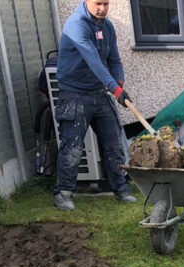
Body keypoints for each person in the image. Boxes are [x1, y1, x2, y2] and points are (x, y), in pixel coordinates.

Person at [53, 0, 136, 211]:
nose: (103, 8)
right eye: (98, 3)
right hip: (74, 95)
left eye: (106, 4)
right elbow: (94, 61)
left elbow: (114, 60)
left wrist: (118, 83)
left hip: (99, 93)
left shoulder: (106, 27)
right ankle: (63, 193)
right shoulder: (76, 25)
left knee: (114, 143)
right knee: (72, 148)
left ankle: (121, 188)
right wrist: (114, 89)